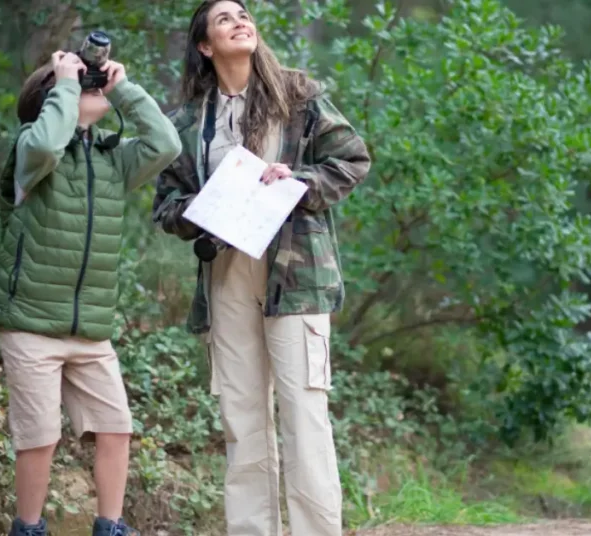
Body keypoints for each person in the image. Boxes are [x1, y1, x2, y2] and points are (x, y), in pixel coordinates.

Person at [152, 2, 370, 535]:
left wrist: (297, 181)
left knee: (304, 418)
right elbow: (166, 204)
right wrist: (203, 207)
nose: (240, 21)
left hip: (296, 277)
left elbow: (351, 160)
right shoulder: (187, 122)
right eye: (225, 18)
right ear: (205, 45)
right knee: (242, 421)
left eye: (244, 14)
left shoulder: (297, 95)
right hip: (227, 275)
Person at [0, 47, 181, 536]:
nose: (90, 88)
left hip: (90, 328)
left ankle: (110, 527)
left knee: (116, 428)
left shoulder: (111, 157)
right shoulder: (31, 149)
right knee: (40, 437)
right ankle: (29, 528)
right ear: (52, 97)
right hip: (31, 322)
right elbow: (47, 145)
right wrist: (66, 84)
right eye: (78, 84)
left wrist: (124, 90)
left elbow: (166, 144)